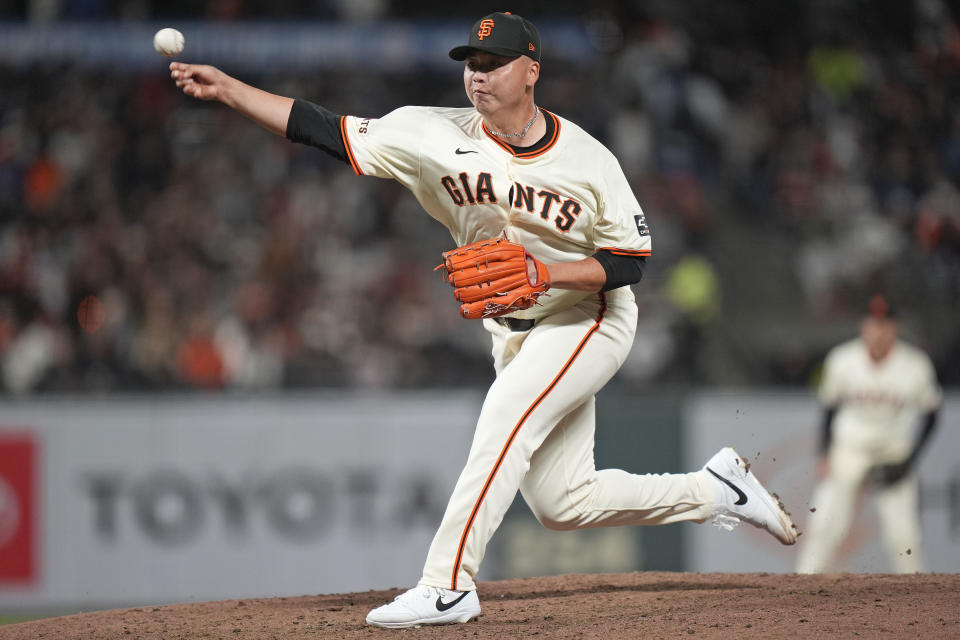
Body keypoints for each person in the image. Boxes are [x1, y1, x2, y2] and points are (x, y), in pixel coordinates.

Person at [170, 12, 797, 628]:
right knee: (562, 503)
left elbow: (630, 260)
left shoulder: (588, 158)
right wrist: (228, 88)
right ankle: (717, 489)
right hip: (512, 331)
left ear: (531, 71)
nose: (479, 75)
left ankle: (447, 585)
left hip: (588, 317)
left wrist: (544, 275)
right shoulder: (427, 133)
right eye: (472, 63)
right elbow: (320, 128)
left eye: (494, 64)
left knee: (505, 416)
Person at [796, 295, 942, 573]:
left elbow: (933, 414)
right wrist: (824, 452)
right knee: (824, 525)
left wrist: (910, 461)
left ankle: (917, 600)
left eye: (885, 324)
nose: (878, 330)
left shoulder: (915, 364)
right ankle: (803, 584)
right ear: (864, 326)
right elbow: (829, 408)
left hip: (892, 452)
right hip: (850, 449)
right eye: (874, 324)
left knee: (903, 536)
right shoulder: (843, 359)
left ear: (895, 328)